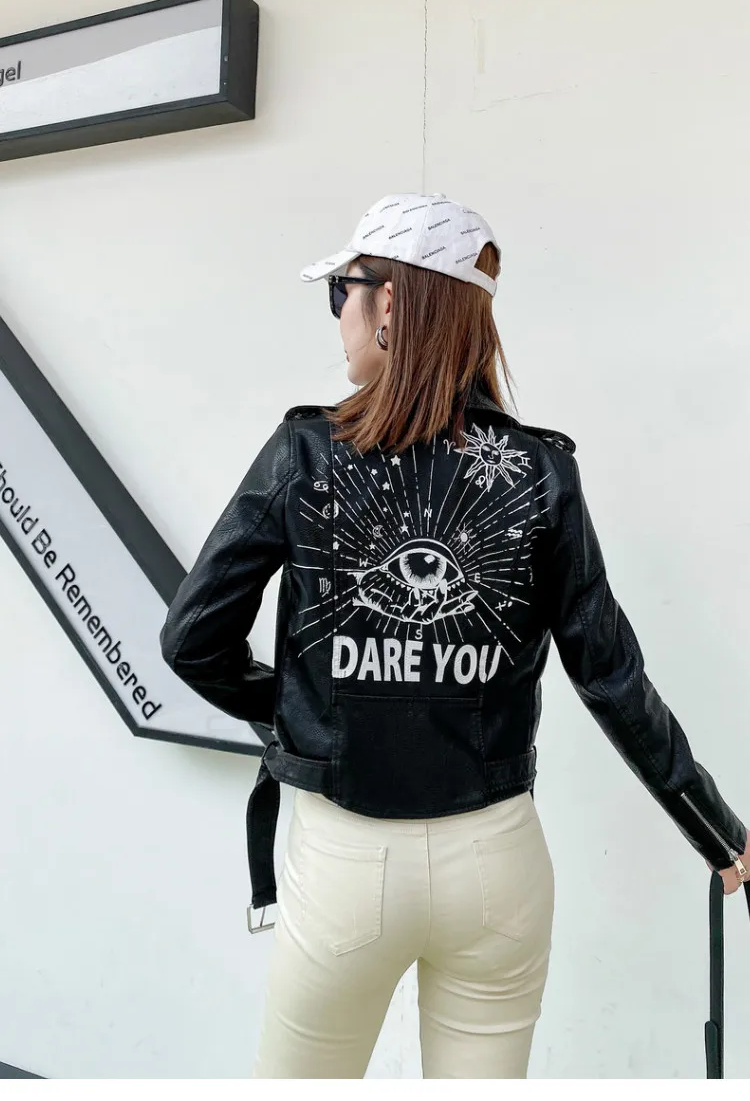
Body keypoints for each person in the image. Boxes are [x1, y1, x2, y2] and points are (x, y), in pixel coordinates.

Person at [159, 191, 748, 1080]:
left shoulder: (306, 455)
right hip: (497, 865)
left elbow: (192, 641)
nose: (339, 315)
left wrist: (306, 714)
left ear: (389, 302)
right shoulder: (541, 472)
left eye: (342, 292)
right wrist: (717, 830)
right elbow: (609, 673)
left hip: (349, 864)